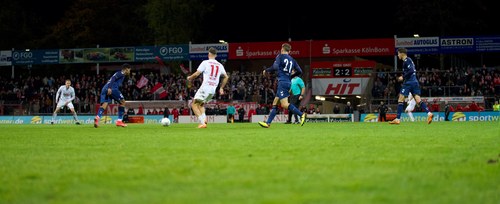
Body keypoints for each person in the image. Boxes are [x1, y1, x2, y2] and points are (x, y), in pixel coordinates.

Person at [258, 43, 306, 128]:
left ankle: (301, 115)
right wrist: (290, 76)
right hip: (287, 82)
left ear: (282, 49)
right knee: (275, 103)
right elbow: (300, 71)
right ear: (289, 51)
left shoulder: (280, 56)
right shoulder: (292, 60)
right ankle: (268, 123)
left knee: (284, 104)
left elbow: (275, 67)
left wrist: (266, 70)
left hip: (282, 82)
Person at [187, 47, 229, 128]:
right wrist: (221, 88)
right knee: (201, 104)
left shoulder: (205, 62)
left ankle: (202, 123)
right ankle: (205, 119)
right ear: (216, 55)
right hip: (213, 90)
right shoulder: (220, 65)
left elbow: (196, 74)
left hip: (205, 87)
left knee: (194, 105)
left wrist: (190, 78)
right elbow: (226, 77)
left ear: (209, 54)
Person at [390, 47, 433, 125]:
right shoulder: (407, 61)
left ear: (402, 53)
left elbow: (411, 70)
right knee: (418, 100)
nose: (398, 55)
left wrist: (403, 77)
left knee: (400, 99)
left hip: (409, 82)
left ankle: (398, 119)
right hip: (414, 82)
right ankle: (429, 113)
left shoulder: (407, 60)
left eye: (398, 53)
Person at [94, 63, 132, 128]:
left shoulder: (121, 74)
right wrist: (109, 88)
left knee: (105, 104)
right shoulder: (121, 73)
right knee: (122, 102)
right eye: (129, 70)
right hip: (112, 88)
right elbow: (113, 79)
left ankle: (97, 118)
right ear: (126, 69)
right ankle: (119, 121)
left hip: (105, 88)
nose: (129, 71)